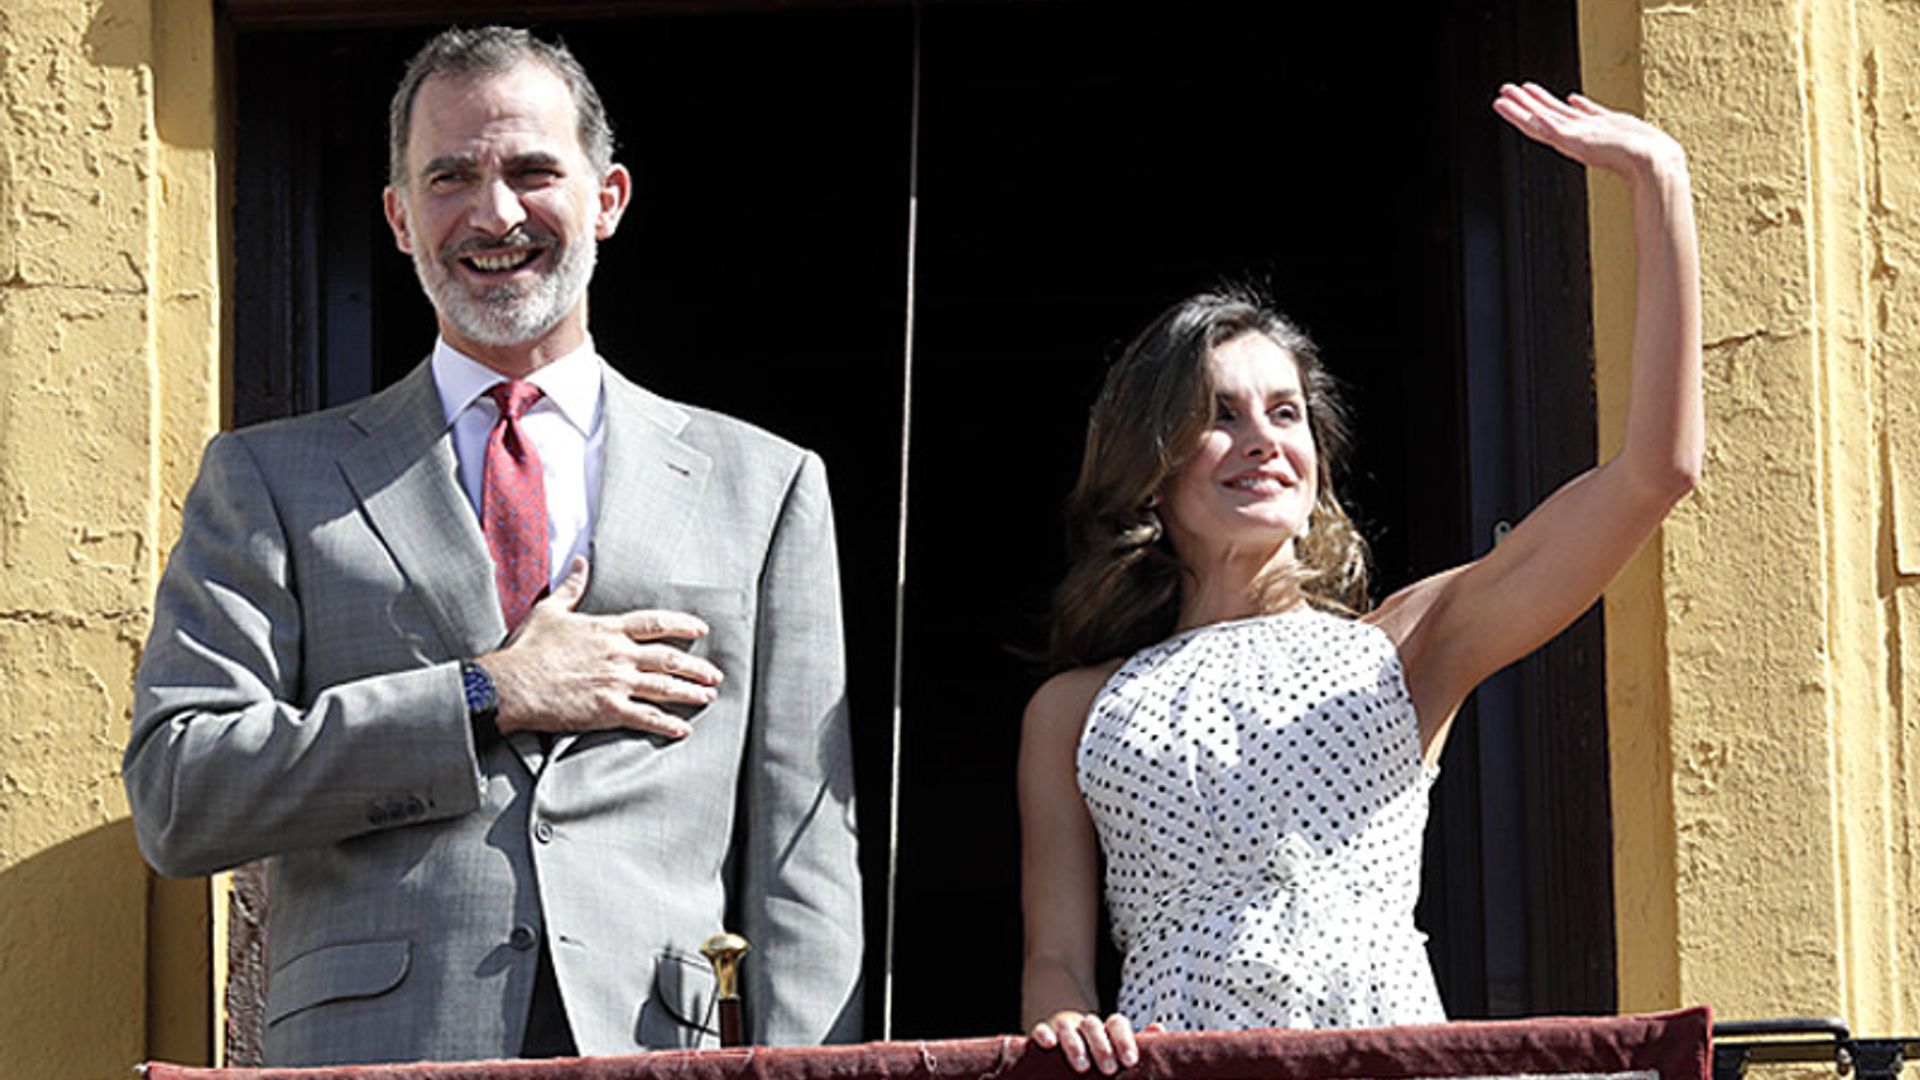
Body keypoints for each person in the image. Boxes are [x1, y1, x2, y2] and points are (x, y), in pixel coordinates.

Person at [124, 26, 862, 1067]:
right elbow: (179, 795)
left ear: (607, 198)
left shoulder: (767, 485)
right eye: (451, 177)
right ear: (399, 216)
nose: (495, 213)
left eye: (530, 171)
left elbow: (802, 858)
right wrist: (484, 695)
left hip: (658, 1043)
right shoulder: (268, 480)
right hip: (377, 1049)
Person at [1019, 82, 1700, 1072]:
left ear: (1318, 461)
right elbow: (1053, 962)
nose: (1261, 441)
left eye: (1285, 414)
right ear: (1150, 466)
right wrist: (1071, 1023)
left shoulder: (1403, 645)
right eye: (1221, 414)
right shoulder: (1072, 711)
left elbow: (1656, 471)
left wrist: (1660, 184)